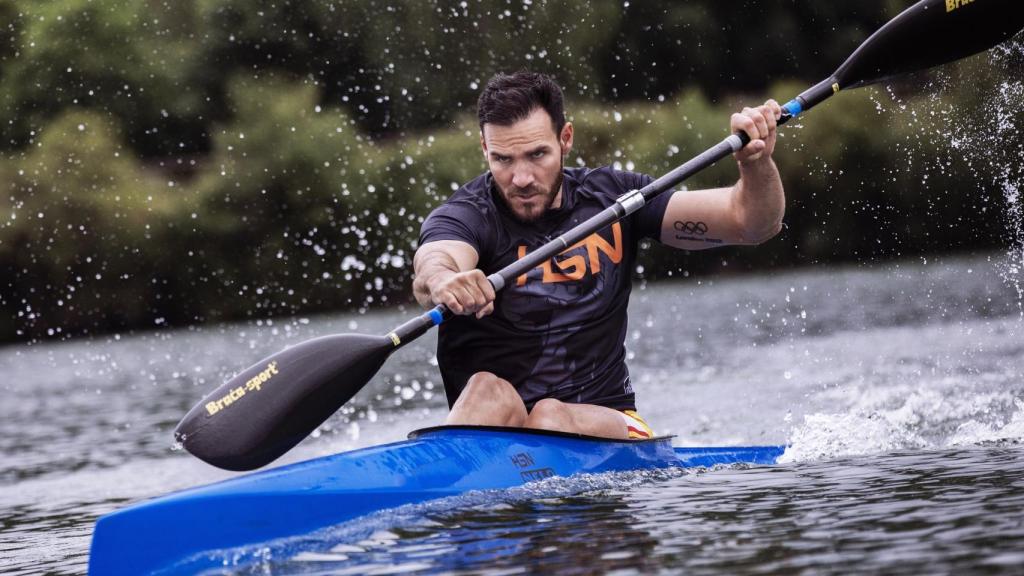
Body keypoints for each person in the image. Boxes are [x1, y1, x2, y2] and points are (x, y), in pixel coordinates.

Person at [412, 72, 784, 440]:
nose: (521, 177)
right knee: (486, 389)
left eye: (537, 154)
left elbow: (749, 223)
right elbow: (435, 260)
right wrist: (446, 281)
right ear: (484, 149)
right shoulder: (469, 213)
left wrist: (755, 164)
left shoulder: (616, 201)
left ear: (566, 139)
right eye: (503, 159)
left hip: (609, 422)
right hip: (499, 426)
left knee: (549, 414)